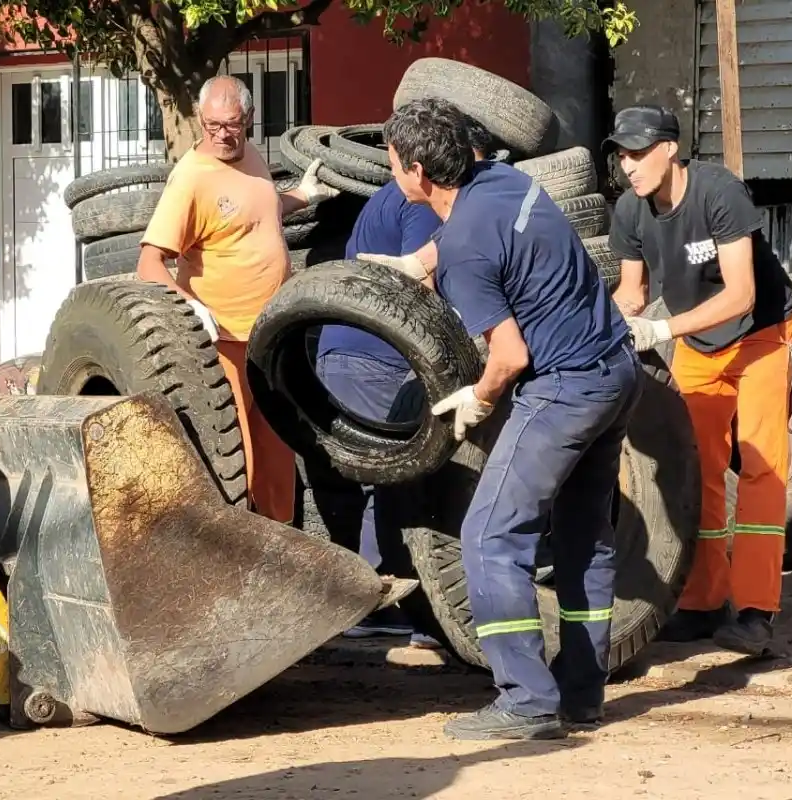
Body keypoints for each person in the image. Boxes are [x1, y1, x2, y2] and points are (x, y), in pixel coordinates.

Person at [380, 97, 643, 740]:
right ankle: (581, 696)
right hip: (616, 370)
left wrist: (479, 399)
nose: (390, 174)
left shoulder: (467, 252)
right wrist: (421, 264)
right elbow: (470, 233)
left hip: (565, 389)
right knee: (585, 538)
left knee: (490, 535)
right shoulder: (502, 180)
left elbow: (510, 354)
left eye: (392, 164)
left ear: (418, 172)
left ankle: (524, 700)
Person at [603, 104, 792, 655]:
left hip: (762, 330)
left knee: (761, 465)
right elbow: (632, 292)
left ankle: (757, 611)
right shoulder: (630, 210)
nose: (628, 165)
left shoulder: (719, 192)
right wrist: (616, 320)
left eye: (638, 152)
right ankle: (702, 602)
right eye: (621, 154)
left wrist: (661, 329)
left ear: (670, 148)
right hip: (699, 340)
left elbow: (742, 295)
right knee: (699, 469)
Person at [316, 119, 501, 647]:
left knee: (359, 475)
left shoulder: (384, 197)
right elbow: (427, 280)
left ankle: (356, 598)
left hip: (339, 350)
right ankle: (392, 603)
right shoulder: (420, 204)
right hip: (378, 358)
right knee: (406, 475)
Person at [136, 75, 339, 524]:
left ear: (248, 118)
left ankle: (280, 549)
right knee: (236, 458)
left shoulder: (250, 156)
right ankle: (240, 561)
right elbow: (149, 263)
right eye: (211, 126)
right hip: (225, 345)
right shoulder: (191, 179)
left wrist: (301, 197)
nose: (221, 135)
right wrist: (187, 306)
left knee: (276, 456)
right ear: (200, 121)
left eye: (231, 124)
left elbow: (254, 212)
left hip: (270, 338)